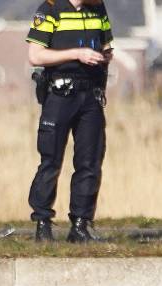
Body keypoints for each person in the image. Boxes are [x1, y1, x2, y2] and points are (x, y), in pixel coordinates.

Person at [26, 0, 112, 243]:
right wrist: (77, 54)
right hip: (60, 95)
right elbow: (35, 55)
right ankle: (43, 224)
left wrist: (104, 56)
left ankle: (81, 225)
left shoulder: (97, 8)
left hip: (91, 96)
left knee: (90, 162)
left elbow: (107, 46)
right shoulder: (50, 8)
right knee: (50, 161)